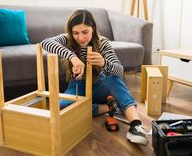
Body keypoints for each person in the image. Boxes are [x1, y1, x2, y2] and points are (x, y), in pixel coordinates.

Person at [41, 9, 148, 146]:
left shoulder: (102, 43)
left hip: (100, 85)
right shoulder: (68, 39)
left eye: (85, 32)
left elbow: (119, 71)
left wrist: (104, 63)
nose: (80, 38)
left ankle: (136, 126)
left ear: (93, 29)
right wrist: (73, 57)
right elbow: (45, 43)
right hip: (77, 86)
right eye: (76, 33)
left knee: (112, 77)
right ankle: (111, 107)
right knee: (61, 108)